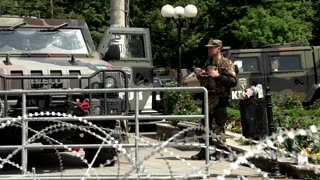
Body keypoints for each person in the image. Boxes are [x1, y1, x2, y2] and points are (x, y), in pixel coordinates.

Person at [191, 39, 237, 160]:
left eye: (211, 48)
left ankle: (220, 152)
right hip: (208, 98)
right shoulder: (209, 64)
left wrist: (218, 76)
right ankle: (204, 151)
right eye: (208, 48)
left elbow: (233, 82)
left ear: (218, 48)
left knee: (218, 126)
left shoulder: (226, 63)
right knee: (204, 126)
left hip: (220, 99)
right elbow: (207, 81)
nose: (209, 50)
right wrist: (201, 76)